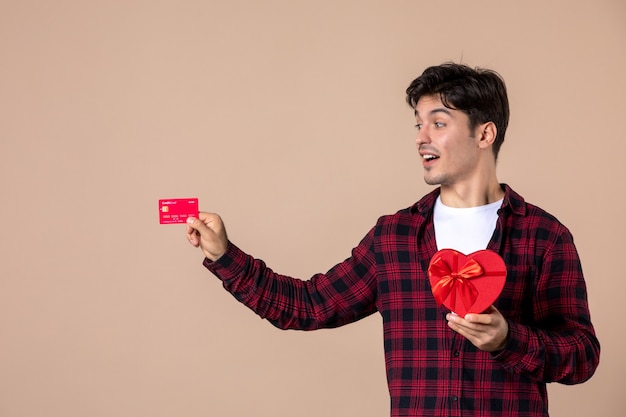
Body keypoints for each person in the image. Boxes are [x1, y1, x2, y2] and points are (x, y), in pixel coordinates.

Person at [185, 63, 600, 417]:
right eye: (418, 124)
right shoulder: (394, 237)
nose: (421, 137)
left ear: (485, 134)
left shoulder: (544, 237)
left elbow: (581, 356)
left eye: (438, 123)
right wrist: (224, 256)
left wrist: (509, 339)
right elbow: (307, 305)